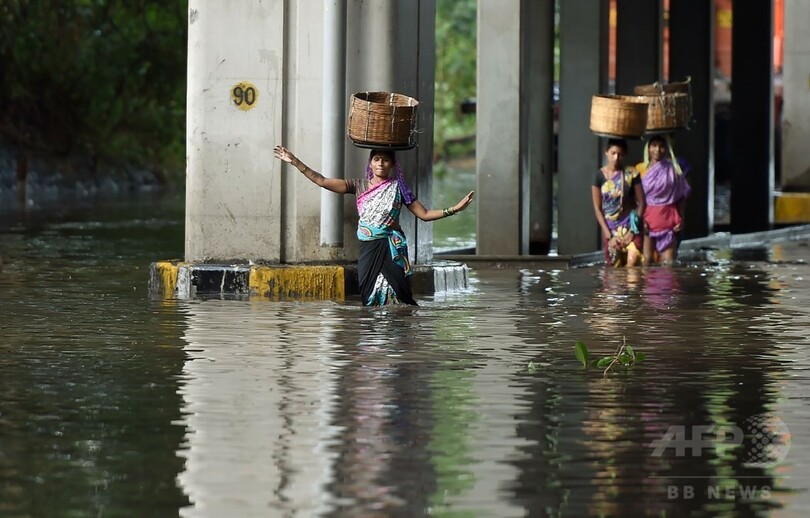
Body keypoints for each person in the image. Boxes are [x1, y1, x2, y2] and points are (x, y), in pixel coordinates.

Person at [273, 145, 475, 306]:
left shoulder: (399, 188)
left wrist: (455, 209)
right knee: (368, 296)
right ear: (370, 162)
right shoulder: (358, 185)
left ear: (392, 164)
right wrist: (295, 162)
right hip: (369, 249)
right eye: (377, 159)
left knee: (400, 296)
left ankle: (400, 341)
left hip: (392, 248)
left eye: (386, 160)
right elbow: (322, 181)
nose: (381, 163)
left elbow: (424, 214)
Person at [635, 134, 691, 265]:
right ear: (648, 148)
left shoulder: (674, 169)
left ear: (667, 148)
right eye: (654, 145)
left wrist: (681, 216)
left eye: (661, 146)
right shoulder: (640, 169)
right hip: (648, 218)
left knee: (669, 262)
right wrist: (640, 219)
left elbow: (682, 193)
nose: (657, 150)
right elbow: (636, 199)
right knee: (647, 260)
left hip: (669, 218)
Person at [591, 138, 645, 267]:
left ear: (624, 155)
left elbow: (642, 203)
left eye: (620, 154)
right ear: (606, 153)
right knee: (615, 268)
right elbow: (597, 209)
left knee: (633, 261)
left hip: (631, 225)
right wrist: (609, 236)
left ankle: (633, 287)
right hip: (610, 228)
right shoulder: (599, 176)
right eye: (613, 153)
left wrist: (633, 231)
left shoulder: (632, 173)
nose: (616, 158)